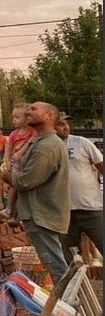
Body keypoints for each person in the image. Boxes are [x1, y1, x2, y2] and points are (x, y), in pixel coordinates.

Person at [1, 102, 69, 285]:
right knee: (55, 263)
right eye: (28, 109)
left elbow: (26, 181)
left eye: (34, 109)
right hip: (39, 213)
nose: (29, 111)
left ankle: (70, 306)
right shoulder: (39, 141)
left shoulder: (47, 146)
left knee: (56, 266)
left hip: (42, 214)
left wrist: (6, 176)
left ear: (49, 116)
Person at [55, 113, 103, 264]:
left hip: (91, 209)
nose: (66, 127)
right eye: (61, 124)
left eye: (67, 124)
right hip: (65, 213)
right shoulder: (49, 147)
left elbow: (101, 166)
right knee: (71, 259)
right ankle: (77, 287)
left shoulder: (81, 142)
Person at [0, 104, 38, 226]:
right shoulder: (14, 133)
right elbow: (8, 148)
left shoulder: (33, 132)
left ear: (27, 118)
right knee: (14, 187)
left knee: (17, 186)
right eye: (13, 117)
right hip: (15, 164)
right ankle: (11, 211)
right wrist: (7, 161)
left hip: (26, 164)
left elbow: (31, 143)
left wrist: (20, 153)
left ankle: (12, 212)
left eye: (17, 117)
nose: (14, 120)